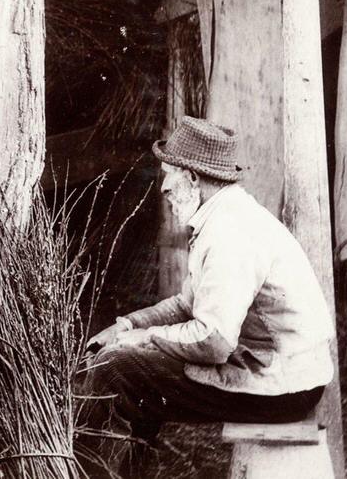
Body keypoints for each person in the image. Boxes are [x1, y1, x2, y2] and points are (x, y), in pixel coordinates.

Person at [85, 115, 333, 450]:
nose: (164, 189)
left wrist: (143, 339)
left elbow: (213, 341)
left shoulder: (230, 233)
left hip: (282, 385)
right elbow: (187, 305)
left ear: (191, 177)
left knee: (112, 369)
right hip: (278, 372)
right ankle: (136, 462)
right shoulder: (222, 216)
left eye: (169, 178)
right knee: (133, 361)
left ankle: (84, 469)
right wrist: (128, 325)